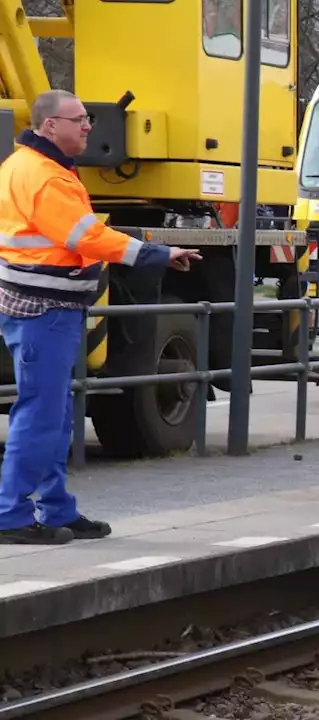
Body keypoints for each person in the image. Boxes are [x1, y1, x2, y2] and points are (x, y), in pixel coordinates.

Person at [0, 89, 201, 545]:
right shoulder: (44, 176)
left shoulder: (30, 167)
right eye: (79, 119)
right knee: (41, 415)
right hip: (44, 309)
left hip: (44, 307)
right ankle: (10, 515)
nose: (89, 125)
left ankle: (56, 511)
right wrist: (154, 253)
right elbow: (85, 236)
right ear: (50, 126)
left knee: (54, 415)